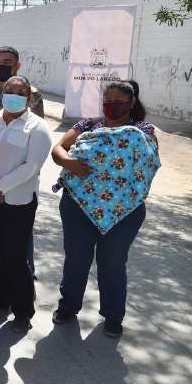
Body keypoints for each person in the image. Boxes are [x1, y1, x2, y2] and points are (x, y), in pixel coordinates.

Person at [50, 80, 159, 337]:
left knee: (112, 262)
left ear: (132, 103)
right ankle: (68, 306)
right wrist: (69, 162)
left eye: (118, 102)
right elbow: (58, 149)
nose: (111, 107)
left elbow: (149, 158)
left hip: (124, 210)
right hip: (78, 204)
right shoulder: (87, 125)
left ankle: (113, 315)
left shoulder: (141, 130)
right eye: (107, 102)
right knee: (76, 257)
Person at [0, 76, 52, 333]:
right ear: (2, 93)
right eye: (9, 90)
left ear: (29, 98)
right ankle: (0, 299)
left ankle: (22, 311)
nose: (14, 95)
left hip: (18, 201)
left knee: (16, 257)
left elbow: (31, 167)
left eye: (21, 92)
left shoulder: (37, 127)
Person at [0, 46, 44, 287]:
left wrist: (0, 187)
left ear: (17, 65)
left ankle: (25, 280)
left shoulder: (33, 96)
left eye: (6, 61)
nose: (1, 64)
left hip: (18, 183)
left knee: (20, 241)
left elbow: (34, 143)